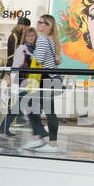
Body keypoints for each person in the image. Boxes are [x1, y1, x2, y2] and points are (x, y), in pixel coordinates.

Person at [24, 14, 62, 152]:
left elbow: (39, 58)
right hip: (53, 78)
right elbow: (57, 59)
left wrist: (28, 53)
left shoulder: (41, 39)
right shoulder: (52, 40)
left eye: (41, 22)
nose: (37, 24)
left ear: (48, 25)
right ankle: (38, 137)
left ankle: (50, 143)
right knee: (37, 107)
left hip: (46, 79)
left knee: (33, 106)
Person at [3, 27, 37, 138]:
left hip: (31, 82)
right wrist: (13, 83)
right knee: (22, 105)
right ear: (25, 37)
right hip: (23, 82)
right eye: (28, 36)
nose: (30, 38)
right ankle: (37, 131)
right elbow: (16, 66)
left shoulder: (34, 49)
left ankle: (3, 128)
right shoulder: (22, 48)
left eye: (32, 36)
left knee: (22, 105)